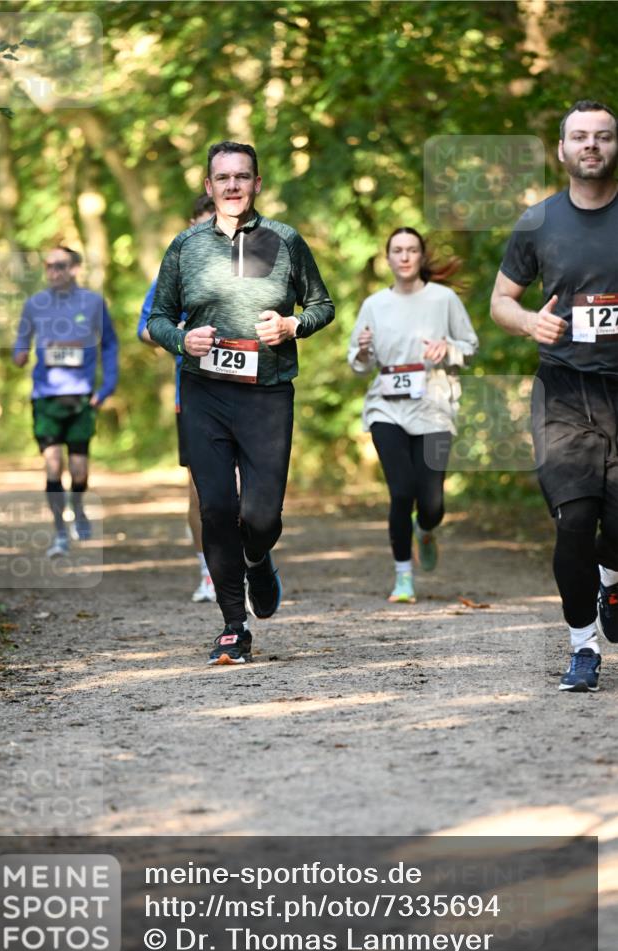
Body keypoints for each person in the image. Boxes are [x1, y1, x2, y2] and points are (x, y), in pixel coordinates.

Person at [147, 140, 334, 665]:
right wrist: (181, 340)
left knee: (261, 515)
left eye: (242, 177)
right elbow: (158, 318)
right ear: (209, 186)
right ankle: (234, 625)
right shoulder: (185, 247)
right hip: (205, 392)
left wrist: (293, 324)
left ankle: (259, 556)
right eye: (222, 178)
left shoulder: (284, 240)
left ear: (257, 184)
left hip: (267, 394)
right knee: (216, 508)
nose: (232, 186)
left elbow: (323, 304)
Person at [491, 99, 618, 693]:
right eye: (580, 137)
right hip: (564, 389)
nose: (591, 145)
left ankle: (612, 581)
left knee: (615, 527)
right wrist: (527, 324)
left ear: (615, 147)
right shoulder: (536, 222)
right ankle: (582, 647)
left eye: (603, 136)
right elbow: (501, 302)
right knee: (575, 522)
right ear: (563, 151)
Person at [348, 227, 478, 603]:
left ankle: (425, 529)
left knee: (433, 503)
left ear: (421, 256)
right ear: (387, 258)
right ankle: (403, 577)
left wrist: (447, 348)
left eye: (412, 250)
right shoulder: (374, 304)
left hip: (434, 407)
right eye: (397, 250)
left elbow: (470, 347)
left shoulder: (444, 299)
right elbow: (358, 363)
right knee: (401, 491)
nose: (404, 257)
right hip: (386, 407)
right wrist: (362, 349)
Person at [13, 245, 119, 557]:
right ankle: (60, 531)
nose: (54, 271)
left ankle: (78, 505)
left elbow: (110, 345)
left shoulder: (93, 303)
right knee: (53, 464)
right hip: (45, 396)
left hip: (82, 397)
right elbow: (20, 344)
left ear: (74, 268)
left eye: (60, 265)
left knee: (79, 470)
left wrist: (108, 385)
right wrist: (18, 354)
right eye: (48, 266)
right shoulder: (34, 304)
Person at [137, 194, 217, 603]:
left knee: (247, 489)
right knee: (201, 488)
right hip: (193, 392)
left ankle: (247, 565)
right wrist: (181, 336)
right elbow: (147, 328)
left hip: (249, 391)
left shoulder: (252, 263)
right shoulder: (175, 268)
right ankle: (208, 572)